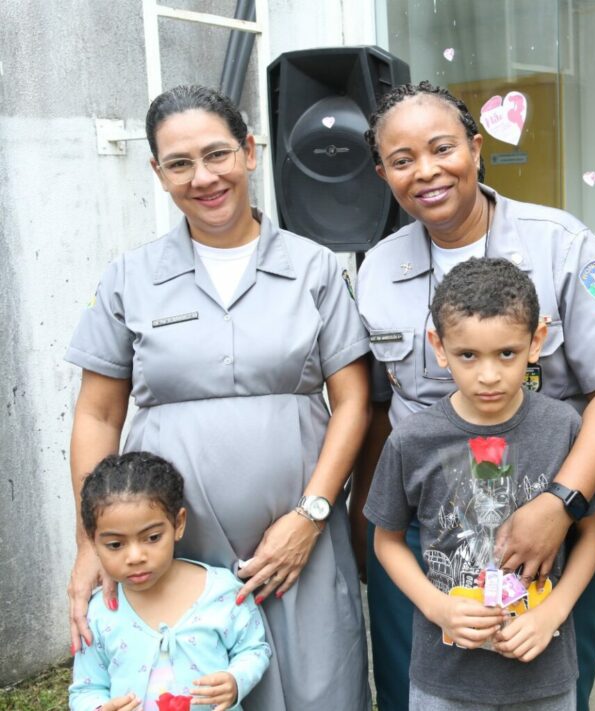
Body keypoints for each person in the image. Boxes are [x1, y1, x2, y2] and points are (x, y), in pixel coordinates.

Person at [65, 85, 372, 710]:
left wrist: (310, 515)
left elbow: (353, 402)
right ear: (157, 172)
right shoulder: (130, 278)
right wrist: (88, 544)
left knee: (319, 686)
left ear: (250, 151)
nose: (202, 177)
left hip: (297, 541)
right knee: (192, 688)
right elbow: (97, 415)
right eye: (179, 163)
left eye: (217, 154)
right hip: (179, 544)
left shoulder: (314, 269)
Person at [353, 81, 595, 711]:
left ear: (476, 148)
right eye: (402, 161)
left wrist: (561, 503)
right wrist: (369, 527)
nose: (425, 172)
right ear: (383, 173)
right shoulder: (375, 269)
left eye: (442, 148)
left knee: (552, 677)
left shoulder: (560, 244)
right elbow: (378, 408)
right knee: (423, 686)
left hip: (559, 507)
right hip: (431, 525)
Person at [365, 258, 595, 709]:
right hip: (444, 680)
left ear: (537, 340)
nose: (489, 375)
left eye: (507, 353)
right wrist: (439, 609)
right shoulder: (412, 440)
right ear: (438, 347)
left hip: (545, 675)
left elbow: (592, 535)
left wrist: (554, 611)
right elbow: (387, 542)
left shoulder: (564, 427)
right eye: (468, 356)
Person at [70, 452, 271, 711]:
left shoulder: (221, 591)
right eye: (115, 544)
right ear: (93, 540)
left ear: (178, 524)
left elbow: (254, 649)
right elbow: (86, 689)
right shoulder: (98, 614)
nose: (135, 556)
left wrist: (235, 681)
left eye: (152, 537)